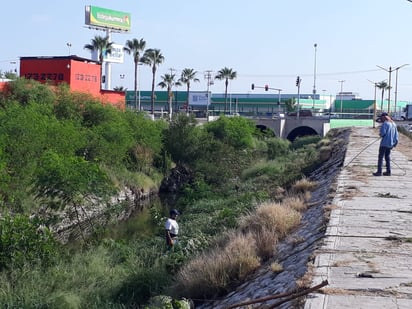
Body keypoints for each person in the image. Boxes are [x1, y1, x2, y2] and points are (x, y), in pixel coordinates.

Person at [373, 112, 398, 176]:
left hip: (384, 143)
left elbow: (382, 134)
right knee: (387, 157)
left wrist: (380, 134)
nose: (381, 119)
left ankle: (379, 172)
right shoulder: (394, 124)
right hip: (391, 144)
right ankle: (388, 171)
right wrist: (395, 143)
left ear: (383, 117)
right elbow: (396, 135)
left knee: (380, 157)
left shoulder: (385, 124)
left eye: (381, 118)